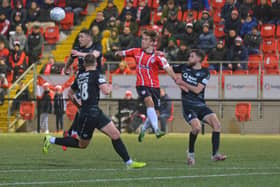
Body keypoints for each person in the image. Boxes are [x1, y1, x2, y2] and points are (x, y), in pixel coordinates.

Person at [43, 54, 146, 169]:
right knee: (82, 144)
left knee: (115, 134)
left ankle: (129, 163)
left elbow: (70, 94)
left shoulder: (80, 76)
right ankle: (51, 139)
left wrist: (79, 105)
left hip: (92, 111)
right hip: (90, 113)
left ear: (85, 64)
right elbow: (106, 91)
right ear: (96, 63)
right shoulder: (96, 74)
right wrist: (110, 86)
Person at [115, 30, 178, 142]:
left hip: (155, 87)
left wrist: (175, 78)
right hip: (142, 85)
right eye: (142, 38)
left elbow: (167, 68)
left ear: (152, 42)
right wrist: (118, 53)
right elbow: (124, 52)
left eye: (145, 39)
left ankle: (144, 129)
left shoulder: (158, 56)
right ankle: (157, 129)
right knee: (149, 101)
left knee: (156, 112)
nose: (142, 41)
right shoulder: (136, 51)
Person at [173, 49, 227, 166]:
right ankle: (191, 154)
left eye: (191, 56)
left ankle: (215, 154)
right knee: (196, 128)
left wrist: (182, 83)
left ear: (198, 59)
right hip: (189, 106)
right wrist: (175, 79)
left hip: (201, 105)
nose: (189, 58)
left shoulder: (205, 72)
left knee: (217, 125)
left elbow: (198, 90)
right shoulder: (183, 67)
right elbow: (168, 68)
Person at [63, 29, 102, 138]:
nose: (79, 39)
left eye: (82, 37)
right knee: (70, 95)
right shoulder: (77, 48)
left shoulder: (96, 45)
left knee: (86, 106)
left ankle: (72, 131)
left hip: (93, 78)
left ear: (89, 38)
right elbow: (71, 58)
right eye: (79, 37)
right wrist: (66, 67)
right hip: (81, 77)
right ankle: (74, 131)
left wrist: (78, 54)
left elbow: (94, 56)